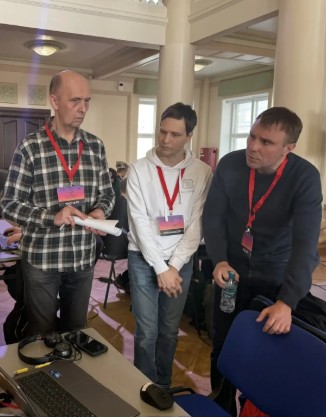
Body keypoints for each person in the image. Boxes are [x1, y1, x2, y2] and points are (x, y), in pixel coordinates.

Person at [202, 106, 322, 414]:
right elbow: (213, 218)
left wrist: (287, 301)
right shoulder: (230, 164)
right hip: (231, 273)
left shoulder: (304, 177)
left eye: (266, 142)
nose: (253, 147)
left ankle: (253, 407)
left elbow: (306, 246)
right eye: (252, 136)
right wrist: (219, 260)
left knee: (267, 352)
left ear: (288, 148)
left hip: (276, 277)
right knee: (223, 345)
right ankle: (222, 406)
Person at [0, 69, 115, 335]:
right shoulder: (30, 147)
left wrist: (100, 210)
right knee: (42, 335)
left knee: (76, 331)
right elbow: (9, 203)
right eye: (75, 100)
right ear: (54, 101)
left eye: (87, 101)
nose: (83, 108)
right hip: (43, 260)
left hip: (82, 257)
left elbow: (108, 194)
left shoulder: (95, 146)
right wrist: (52, 217)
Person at [127, 102, 212, 387]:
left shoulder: (202, 172)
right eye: (162, 131)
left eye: (175, 134)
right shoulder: (139, 170)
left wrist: (173, 266)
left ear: (189, 136)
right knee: (147, 332)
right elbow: (139, 222)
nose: (165, 139)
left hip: (180, 261)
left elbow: (197, 224)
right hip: (143, 258)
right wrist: (160, 268)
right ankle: (144, 388)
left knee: (169, 330)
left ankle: (162, 386)